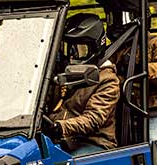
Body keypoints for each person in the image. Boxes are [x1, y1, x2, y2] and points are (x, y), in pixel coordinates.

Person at [97, 0, 157, 142]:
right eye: (110, 18)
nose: (114, 24)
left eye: (121, 18)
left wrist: (139, 67)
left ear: (137, 18)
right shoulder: (112, 51)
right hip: (122, 114)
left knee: (152, 141)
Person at [43, 14, 120, 156]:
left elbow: (93, 119)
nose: (72, 55)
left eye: (80, 49)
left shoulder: (107, 80)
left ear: (95, 47)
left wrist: (61, 126)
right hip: (61, 139)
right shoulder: (62, 73)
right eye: (69, 48)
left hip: (93, 142)